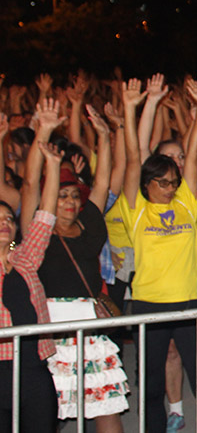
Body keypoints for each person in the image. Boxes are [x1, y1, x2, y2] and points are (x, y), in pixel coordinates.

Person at [116, 76, 197, 433]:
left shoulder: (186, 204)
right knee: (150, 383)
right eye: (161, 182)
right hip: (149, 304)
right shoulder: (136, 210)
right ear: (146, 184)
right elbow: (134, 156)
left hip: (190, 302)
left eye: (173, 182)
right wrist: (136, 106)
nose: (169, 188)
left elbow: (194, 152)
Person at [23, 101, 129, 430]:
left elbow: (103, 184)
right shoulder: (38, 233)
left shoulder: (88, 227)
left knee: (105, 405)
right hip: (50, 330)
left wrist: (104, 137)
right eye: (61, 196)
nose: (69, 202)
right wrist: (43, 132)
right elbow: (29, 185)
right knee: (48, 410)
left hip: (89, 326)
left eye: (73, 196)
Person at [1, 141, 61, 432]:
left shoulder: (25, 259)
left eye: (8, 219)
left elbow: (45, 215)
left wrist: (54, 165)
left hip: (34, 367)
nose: (5, 223)